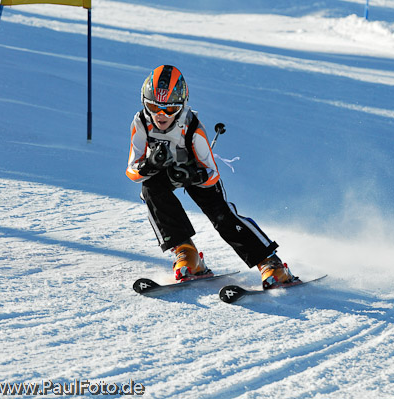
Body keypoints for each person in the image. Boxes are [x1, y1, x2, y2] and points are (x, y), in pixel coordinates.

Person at [126, 65, 296, 289]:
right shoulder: (141, 122)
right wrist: (149, 165)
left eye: (170, 109)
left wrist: (193, 174)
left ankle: (271, 263)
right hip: (164, 173)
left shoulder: (192, 127)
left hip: (197, 174)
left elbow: (212, 173)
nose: (161, 115)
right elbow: (132, 170)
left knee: (222, 216)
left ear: (182, 105)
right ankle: (186, 252)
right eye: (153, 106)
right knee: (150, 189)